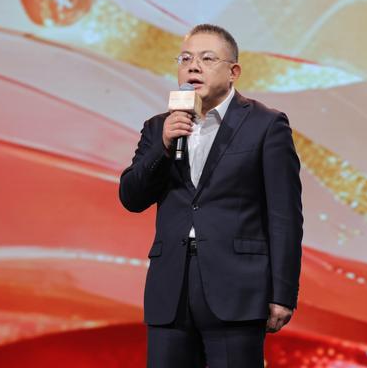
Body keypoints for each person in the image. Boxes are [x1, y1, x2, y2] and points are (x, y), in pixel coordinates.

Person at [119, 24, 303, 368]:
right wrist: (163, 147)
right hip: (171, 288)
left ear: (233, 72)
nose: (193, 66)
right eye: (185, 59)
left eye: (206, 59)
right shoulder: (159, 127)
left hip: (237, 288)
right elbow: (131, 197)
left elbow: (284, 217)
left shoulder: (266, 125)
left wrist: (283, 293)